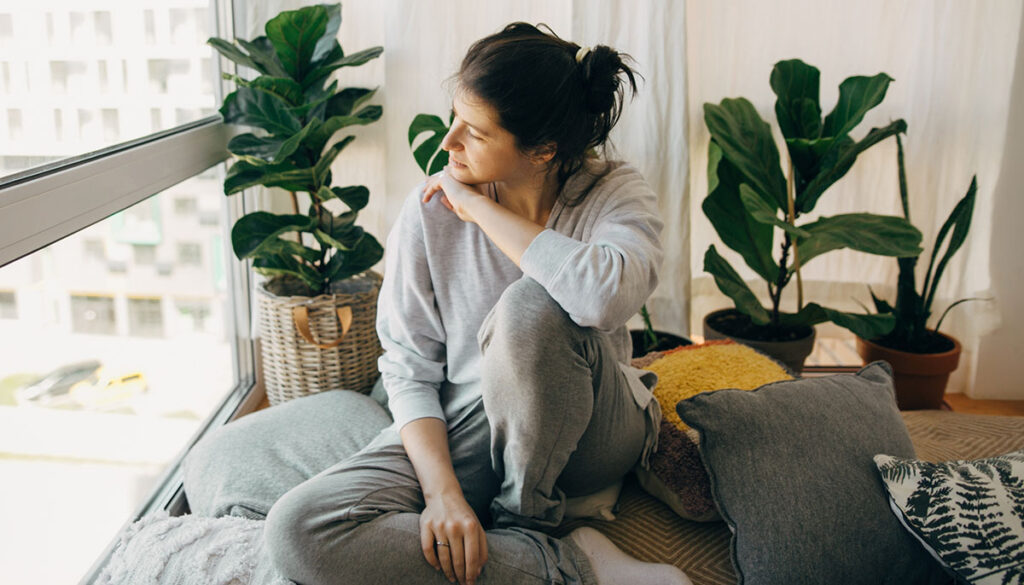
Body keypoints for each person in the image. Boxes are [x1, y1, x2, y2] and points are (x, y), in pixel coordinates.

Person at [183, 22, 690, 585]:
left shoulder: (613, 193)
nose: (448, 144)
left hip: (594, 430)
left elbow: (600, 297)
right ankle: (569, 565)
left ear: (544, 150)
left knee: (531, 307)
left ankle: (524, 523)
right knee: (301, 530)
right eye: (454, 119)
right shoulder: (429, 211)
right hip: (474, 426)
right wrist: (443, 494)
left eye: (474, 132)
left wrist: (481, 211)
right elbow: (409, 367)